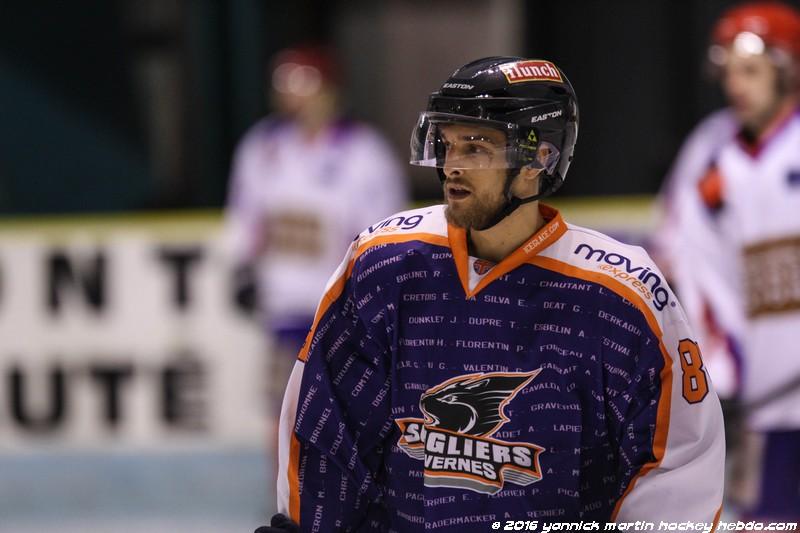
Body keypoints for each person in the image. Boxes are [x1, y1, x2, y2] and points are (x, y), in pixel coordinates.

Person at [262, 56, 724, 531]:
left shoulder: (621, 296)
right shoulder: (384, 266)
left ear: (539, 160)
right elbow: (327, 430)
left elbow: (676, 462)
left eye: (476, 148)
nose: (452, 167)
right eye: (448, 145)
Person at [655, 2, 800, 522]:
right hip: (767, 406)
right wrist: (723, 375)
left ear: (789, 69)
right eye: (730, 71)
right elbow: (694, 273)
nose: (736, 85)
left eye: (751, 70)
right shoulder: (710, 159)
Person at [224, 44, 408, 411]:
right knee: (283, 406)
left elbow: (385, 228)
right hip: (282, 300)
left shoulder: (364, 152)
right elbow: (245, 213)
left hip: (342, 306)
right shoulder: (263, 146)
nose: (293, 96)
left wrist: (367, 288)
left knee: (345, 406)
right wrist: (241, 266)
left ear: (329, 90)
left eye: (303, 84)